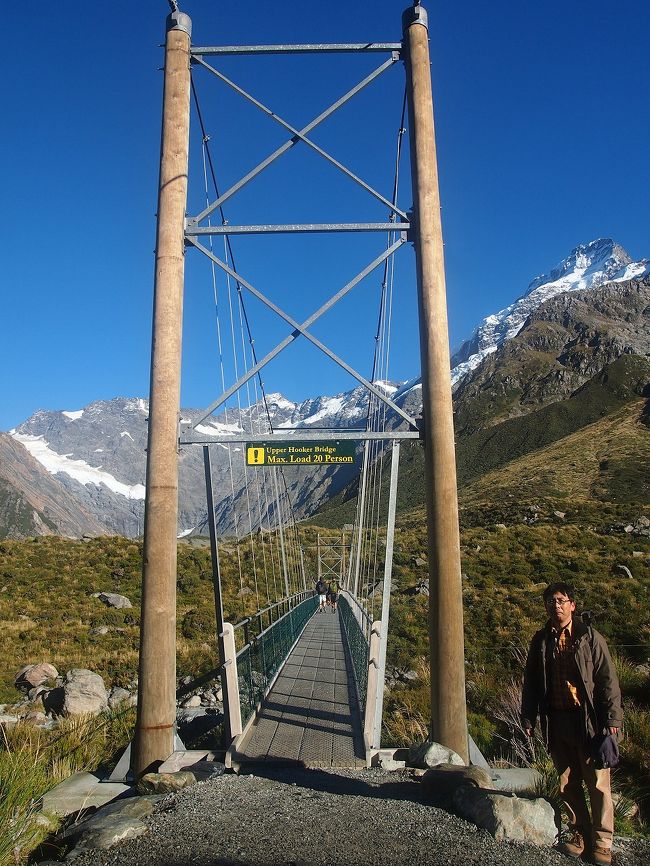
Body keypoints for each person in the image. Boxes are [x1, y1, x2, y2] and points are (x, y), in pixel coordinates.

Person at [521, 582, 623, 866]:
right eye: (552, 601)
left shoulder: (589, 638)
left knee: (598, 783)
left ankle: (603, 842)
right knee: (567, 781)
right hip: (556, 718)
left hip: (588, 720)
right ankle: (580, 834)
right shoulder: (541, 640)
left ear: (572, 605)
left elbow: (607, 680)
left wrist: (612, 718)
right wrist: (528, 715)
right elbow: (531, 683)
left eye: (562, 600)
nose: (557, 605)